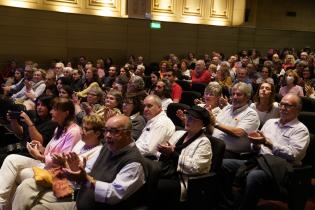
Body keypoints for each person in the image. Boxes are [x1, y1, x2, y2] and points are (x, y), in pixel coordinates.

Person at [24, 115, 149, 210]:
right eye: (107, 130)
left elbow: (112, 194)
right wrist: (74, 170)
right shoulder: (108, 147)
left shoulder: (134, 163)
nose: (108, 135)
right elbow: (88, 173)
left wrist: (84, 179)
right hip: (81, 202)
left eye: (114, 131)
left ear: (128, 133)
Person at [219, 94, 310, 210]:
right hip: (259, 161)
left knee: (254, 176)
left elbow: (294, 155)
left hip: (282, 168)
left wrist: (268, 143)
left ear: (298, 109)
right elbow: (257, 145)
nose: (282, 108)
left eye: (288, 106)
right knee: (223, 165)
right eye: (281, 104)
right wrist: (256, 144)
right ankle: (231, 202)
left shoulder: (300, 130)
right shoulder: (270, 122)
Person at [0, 98, 81, 209]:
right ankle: (3, 203)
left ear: (66, 113)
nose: (51, 112)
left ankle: (3, 204)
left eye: (55, 109)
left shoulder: (74, 131)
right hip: (46, 164)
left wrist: (41, 156)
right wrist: (41, 148)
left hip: (57, 171)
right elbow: (51, 151)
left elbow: (63, 158)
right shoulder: (59, 128)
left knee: (16, 172)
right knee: (11, 159)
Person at [11, 114, 104, 210]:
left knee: (28, 191)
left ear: (97, 133)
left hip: (71, 186)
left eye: (86, 129)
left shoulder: (99, 151)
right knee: (26, 184)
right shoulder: (81, 143)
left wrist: (67, 165)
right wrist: (60, 161)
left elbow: (86, 176)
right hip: (59, 176)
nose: (82, 131)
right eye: (82, 128)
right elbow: (65, 160)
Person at [156, 106, 212, 208]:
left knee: (154, 185)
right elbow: (165, 154)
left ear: (202, 124)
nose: (188, 120)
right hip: (167, 171)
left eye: (193, 119)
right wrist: (164, 151)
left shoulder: (204, 142)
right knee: (145, 175)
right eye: (188, 116)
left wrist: (172, 154)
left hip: (183, 180)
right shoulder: (179, 133)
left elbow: (196, 168)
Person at [212, 82, 260, 158]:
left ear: (247, 97)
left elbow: (238, 133)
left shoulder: (251, 114)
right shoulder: (227, 108)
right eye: (233, 94)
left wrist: (215, 123)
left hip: (231, 153)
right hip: (214, 146)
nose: (234, 97)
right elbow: (213, 127)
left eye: (238, 94)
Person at [136, 95, 175, 159]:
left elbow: (149, 149)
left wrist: (129, 152)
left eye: (149, 106)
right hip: (141, 156)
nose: (145, 109)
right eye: (144, 106)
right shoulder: (154, 119)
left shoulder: (162, 122)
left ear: (159, 107)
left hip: (150, 161)